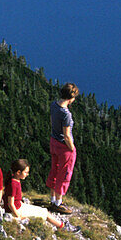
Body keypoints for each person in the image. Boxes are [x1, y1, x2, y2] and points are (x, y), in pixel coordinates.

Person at [3, 159, 69, 230]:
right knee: (45, 213)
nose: (27, 174)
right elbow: (10, 204)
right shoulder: (13, 184)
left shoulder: (14, 180)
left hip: (19, 206)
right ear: (18, 172)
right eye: (26, 172)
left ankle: (61, 225)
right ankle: (62, 227)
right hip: (17, 210)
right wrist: (18, 216)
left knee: (44, 211)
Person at [47, 82, 79, 214]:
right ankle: (58, 203)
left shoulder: (54, 105)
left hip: (53, 141)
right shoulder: (66, 114)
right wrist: (72, 148)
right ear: (71, 98)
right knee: (64, 173)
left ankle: (53, 198)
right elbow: (66, 135)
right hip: (63, 147)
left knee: (54, 169)